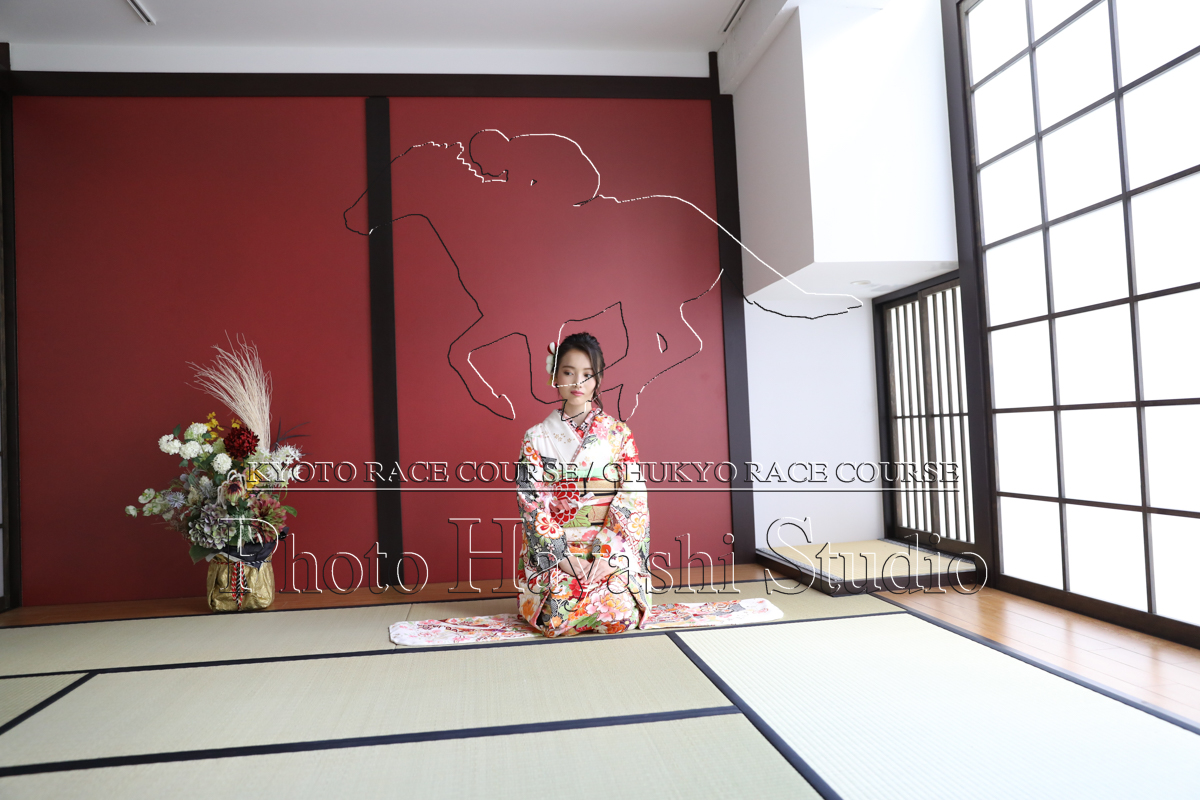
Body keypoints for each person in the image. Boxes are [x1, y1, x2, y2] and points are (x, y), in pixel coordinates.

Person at [515, 332, 651, 636]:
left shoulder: (618, 434)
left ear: (598, 379)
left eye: (587, 374)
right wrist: (562, 556)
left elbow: (633, 499)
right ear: (555, 376)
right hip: (558, 552)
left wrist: (610, 555)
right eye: (568, 372)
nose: (578, 382)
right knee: (556, 613)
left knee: (619, 612)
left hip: (605, 550)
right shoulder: (536, 437)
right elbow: (531, 502)